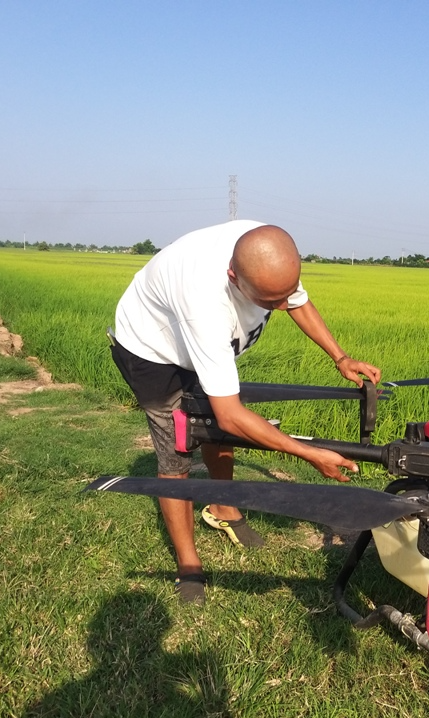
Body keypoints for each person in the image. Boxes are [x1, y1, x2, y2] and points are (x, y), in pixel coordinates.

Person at [110, 221, 381, 604]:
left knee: (217, 431)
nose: (282, 306)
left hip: (202, 343)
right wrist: (306, 452)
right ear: (233, 277)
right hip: (154, 352)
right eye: (271, 302)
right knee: (178, 453)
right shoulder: (203, 304)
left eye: (285, 293)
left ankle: (223, 508)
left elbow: (297, 301)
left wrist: (340, 357)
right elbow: (231, 415)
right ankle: (189, 567)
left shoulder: (267, 251)